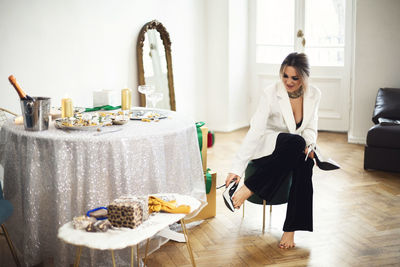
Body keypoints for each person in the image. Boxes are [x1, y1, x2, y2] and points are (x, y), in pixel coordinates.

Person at [224, 52, 321, 249]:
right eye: (285, 76)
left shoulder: (314, 94)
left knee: (305, 161)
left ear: (304, 77)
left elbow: (310, 127)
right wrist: (236, 169)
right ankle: (248, 188)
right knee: (295, 142)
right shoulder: (271, 92)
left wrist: (309, 146)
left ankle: (290, 230)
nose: (289, 81)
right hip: (270, 145)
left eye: (295, 77)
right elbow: (256, 130)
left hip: (294, 148)